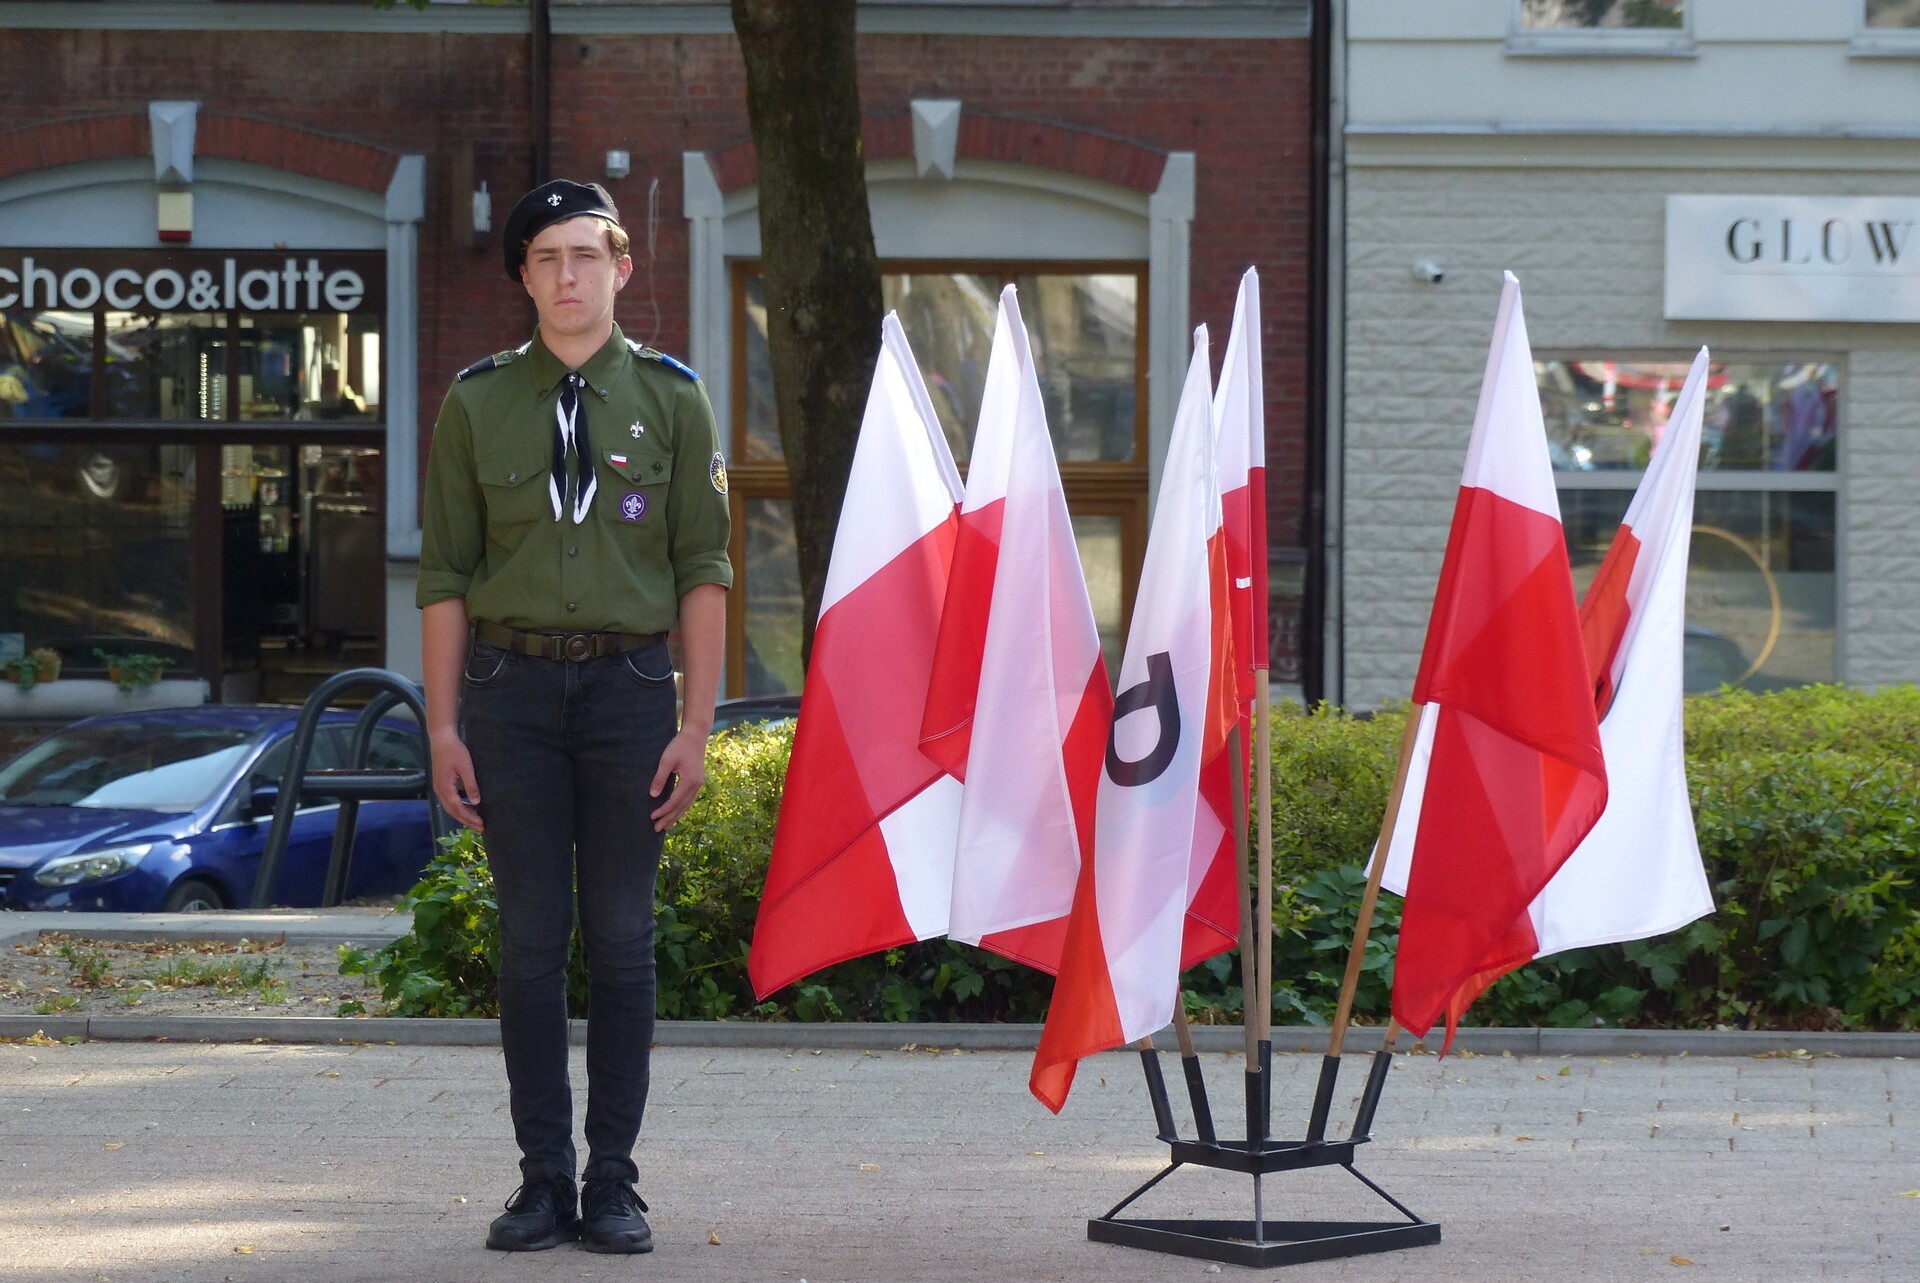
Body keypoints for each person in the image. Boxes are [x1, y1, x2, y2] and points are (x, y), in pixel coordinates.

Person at [415, 179, 732, 1255]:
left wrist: (697, 725)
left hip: (629, 690)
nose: (567, 276)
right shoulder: (477, 402)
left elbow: (703, 568)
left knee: (625, 939)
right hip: (508, 693)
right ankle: (543, 1177)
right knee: (530, 941)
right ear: (523, 275)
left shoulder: (675, 400)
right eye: (546, 257)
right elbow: (446, 576)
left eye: (586, 255)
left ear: (621, 268)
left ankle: (614, 1182)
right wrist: (443, 728)